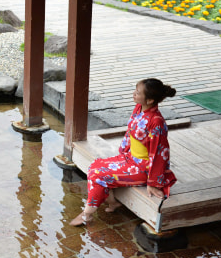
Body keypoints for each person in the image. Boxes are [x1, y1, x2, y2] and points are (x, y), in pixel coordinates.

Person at [70, 78, 177, 226]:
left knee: (98, 176)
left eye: (138, 93)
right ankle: (113, 202)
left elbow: (160, 153)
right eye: (135, 90)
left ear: (150, 100)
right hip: (131, 158)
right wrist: (124, 152)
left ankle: (87, 213)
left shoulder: (156, 121)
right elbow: (131, 132)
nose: (134, 94)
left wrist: (153, 182)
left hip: (144, 168)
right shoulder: (139, 108)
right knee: (94, 166)